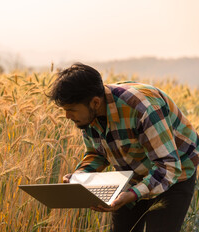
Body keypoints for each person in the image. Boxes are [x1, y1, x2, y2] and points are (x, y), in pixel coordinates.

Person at [48, 63, 199, 232]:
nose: (67, 116)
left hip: (175, 174)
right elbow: (97, 154)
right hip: (133, 176)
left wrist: (132, 194)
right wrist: (80, 178)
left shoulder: (142, 108)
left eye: (71, 110)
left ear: (95, 102)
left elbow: (168, 166)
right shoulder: (88, 116)